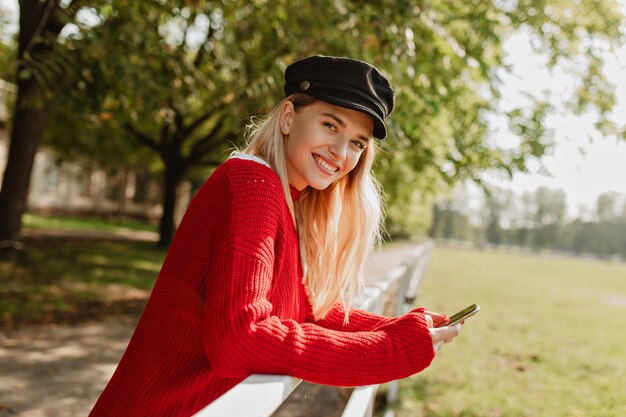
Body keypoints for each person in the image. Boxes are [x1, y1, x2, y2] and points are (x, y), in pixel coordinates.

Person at [88, 55, 461, 417]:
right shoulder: (253, 184)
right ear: (287, 117)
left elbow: (305, 312)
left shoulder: (284, 199)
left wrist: (404, 329)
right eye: (330, 125)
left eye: (358, 143)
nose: (341, 152)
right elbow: (240, 338)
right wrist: (389, 352)